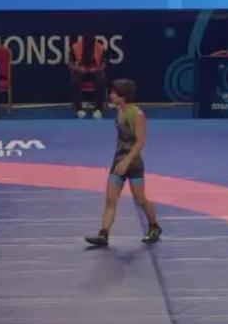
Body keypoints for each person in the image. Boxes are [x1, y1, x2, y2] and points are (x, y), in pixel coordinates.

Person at [84, 79, 162, 247]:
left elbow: (141, 141)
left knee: (140, 199)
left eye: (114, 93)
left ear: (123, 96)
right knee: (110, 199)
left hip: (133, 162)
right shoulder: (120, 109)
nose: (111, 96)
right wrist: (121, 160)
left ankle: (154, 226)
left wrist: (127, 161)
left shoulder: (137, 114)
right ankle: (103, 234)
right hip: (118, 160)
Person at [69, 34, 107, 118]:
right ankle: (79, 109)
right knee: (74, 81)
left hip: (95, 70)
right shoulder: (75, 47)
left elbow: (104, 63)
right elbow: (70, 63)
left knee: (102, 79)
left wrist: (96, 69)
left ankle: (98, 109)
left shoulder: (100, 47)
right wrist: (78, 68)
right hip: (80, 70)